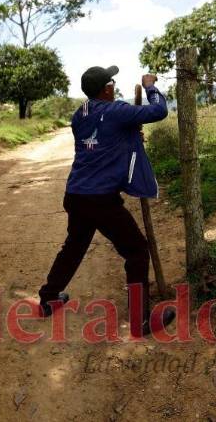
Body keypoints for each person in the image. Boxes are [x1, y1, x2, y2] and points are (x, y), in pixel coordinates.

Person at [37, 65, 174, 337]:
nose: (114, 85)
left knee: (74, 247)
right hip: (100, 199)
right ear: (107, 89)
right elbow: (159, 111)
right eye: (111, 82)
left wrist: (130, 135)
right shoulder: (116, 110)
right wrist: (150, 86)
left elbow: (101, 143)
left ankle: (48, 299)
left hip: (76, 194)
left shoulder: (79, 115)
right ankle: (140, 321)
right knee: (136, 250)